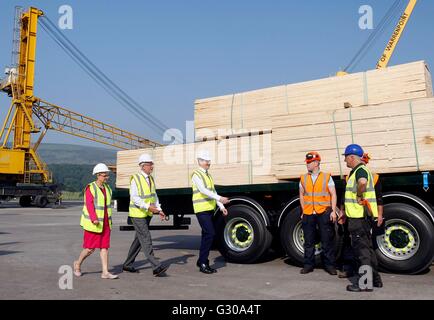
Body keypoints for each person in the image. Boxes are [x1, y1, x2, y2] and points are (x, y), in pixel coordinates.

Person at [336, 152, 385, 279]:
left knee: (361, 251)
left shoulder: (360, 170)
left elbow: (362, 183)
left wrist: (358, 194)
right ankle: (375, 279)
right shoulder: (357, 171)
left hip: (358, 217)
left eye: (346, 157)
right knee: (368, 248)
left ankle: (364, 283)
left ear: (352, 157)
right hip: (362, 217)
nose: (345, 160)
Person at [122, 154, 168, 277]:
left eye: (152, 164)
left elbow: (154, 196)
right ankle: (156, 266)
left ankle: (127, 264)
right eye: (149, 164)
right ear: (142, 166)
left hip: (147, 214)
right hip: (137, 214)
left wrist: (159, 210)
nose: (152, 166)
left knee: (139, 239)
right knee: (146, 238)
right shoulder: (135, 179)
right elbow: (134, 198)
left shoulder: (151, 179)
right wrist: (148, 207)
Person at [73, 163, 118, 279]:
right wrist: (93, 218)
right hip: (94, 223)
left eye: (107, 175)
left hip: (106, 223)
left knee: (104, 248)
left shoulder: (107, 188)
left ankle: (105, 272)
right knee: (89, 249)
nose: (106, 177)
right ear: (98, 175)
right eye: (104, 175)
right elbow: (89, 204)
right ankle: (78, 264)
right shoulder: (90, 188)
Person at [299, 152, 338, 275]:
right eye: (307, 163)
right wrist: (303, 210)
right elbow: (301, 194)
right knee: (309, 241)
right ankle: (308, 265)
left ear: (316, 163)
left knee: (326, 240)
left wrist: (333, 211)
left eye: (309, 163)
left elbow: (333, 194)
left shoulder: (327, 177)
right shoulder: (303, 178)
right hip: (309, 212)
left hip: (324, 212)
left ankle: (330, 266)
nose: (307, 165)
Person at [191, 150, 229, 274]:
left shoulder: (208, 175)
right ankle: (203, 263)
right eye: (206, 161)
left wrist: (221, 206)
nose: (208, 163)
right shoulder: (196, 174)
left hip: (209, 209)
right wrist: (219, 199)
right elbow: (202, 190)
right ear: (200, 161)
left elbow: (213, 191)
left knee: (205, 235)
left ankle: (201, 259)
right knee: (210, 234)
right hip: (201, 209)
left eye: (209, 161)